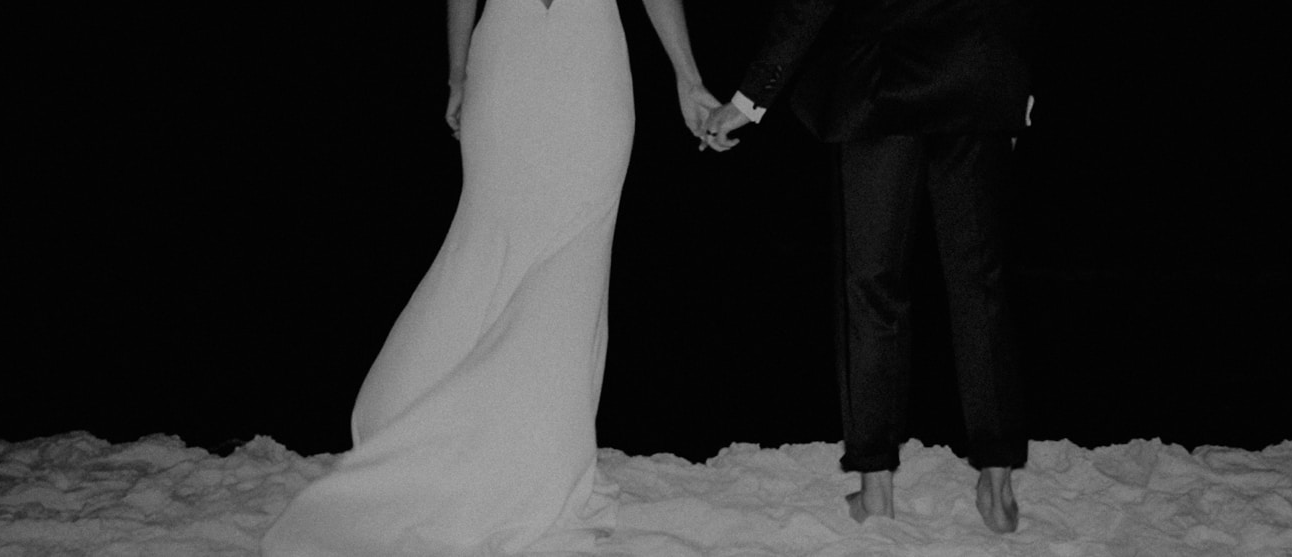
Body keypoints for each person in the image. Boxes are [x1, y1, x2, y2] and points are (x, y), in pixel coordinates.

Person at [260, 1, 719, 555]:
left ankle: (484, 440)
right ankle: (466, 438)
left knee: (537, 255)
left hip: (553, 54)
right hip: (541, 54)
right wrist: (459, 76)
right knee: (512, 249)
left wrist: (459, 74)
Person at [701, 0, 1036, 533]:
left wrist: (750, 97)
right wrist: (1014, 90)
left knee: (872, 288)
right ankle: (997, 485)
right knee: (980, 285)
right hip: (976, 73)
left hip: (884, 81)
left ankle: (876, 487)